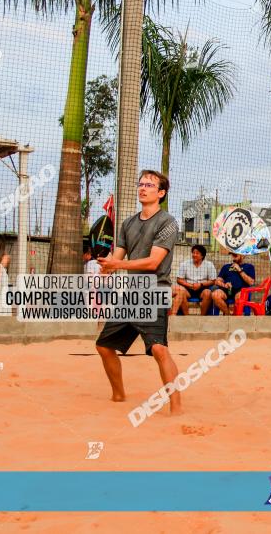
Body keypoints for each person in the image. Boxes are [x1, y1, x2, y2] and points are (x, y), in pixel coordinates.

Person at [94, 170, 182, 415]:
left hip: (155, 291)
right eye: (141, 184)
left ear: (161, 193)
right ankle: (119, 393)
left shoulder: (168, 222)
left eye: (149, 185)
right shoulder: (128, 223)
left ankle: (176, 407)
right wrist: (104, 268)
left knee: (158, 349)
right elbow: (117, 257)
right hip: (132, 294)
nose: (143, 188)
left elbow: (153, 263)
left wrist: (116, 266)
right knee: (103, 346)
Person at [172, 244, 217, 315]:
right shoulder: (185, 264)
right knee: (180, 291)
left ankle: (202, 316)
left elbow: (213, 280)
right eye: (193, 253)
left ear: (202, 256)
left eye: (197, 253)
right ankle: (186, 316)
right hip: (188, 288)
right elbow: (179, 279)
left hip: (202, 288)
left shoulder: (209, 265)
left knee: (208, 293)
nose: (194, 255)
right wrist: (190, 285)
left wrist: (201, 284)